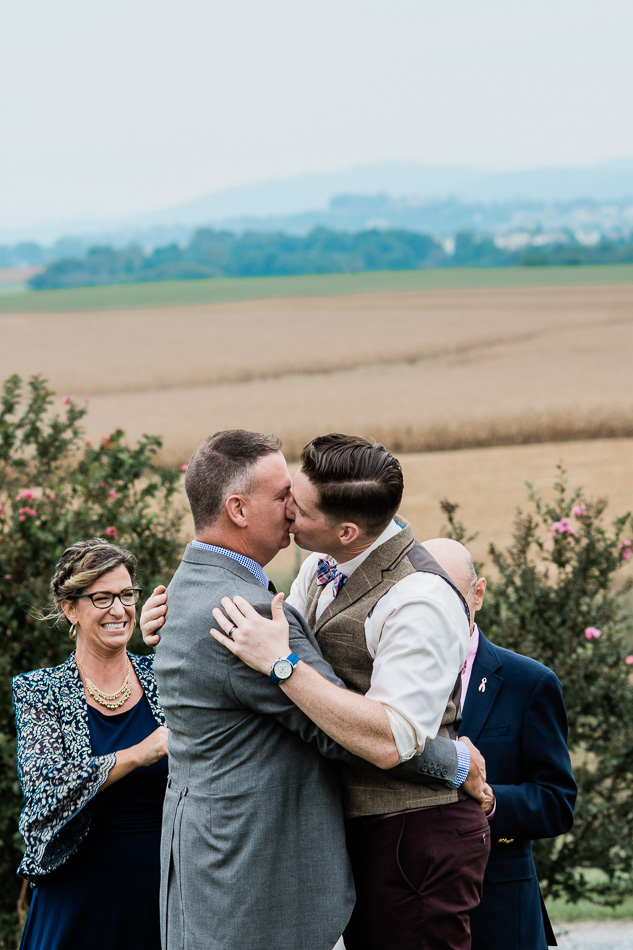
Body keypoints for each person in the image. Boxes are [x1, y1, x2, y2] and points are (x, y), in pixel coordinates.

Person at [146, 429, 485, 950]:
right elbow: (334, 733)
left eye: (297, 502)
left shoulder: (194, 585)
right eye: (284, 497)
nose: (289, 512)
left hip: (411, 835)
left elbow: (379, 729)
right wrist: (456, 762)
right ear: (237, 509)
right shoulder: (249, 610)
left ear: (347, 531)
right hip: (249, 859)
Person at [13, 538, 169, 950]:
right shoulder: (40, 691)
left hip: (159, 900)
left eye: (126, 595)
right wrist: (139, 754)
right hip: (76, 904)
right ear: (70, 608)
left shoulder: (164, 678)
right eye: (101, 598)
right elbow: (46, 792)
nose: (119, 610)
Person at [422, 537, 577, 950]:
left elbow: (557, 803)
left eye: (447, 595)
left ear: (478, 594)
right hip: (410, 907)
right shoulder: (383, 676)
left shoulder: (529, 683)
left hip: (499, 909)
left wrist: (490, 802)